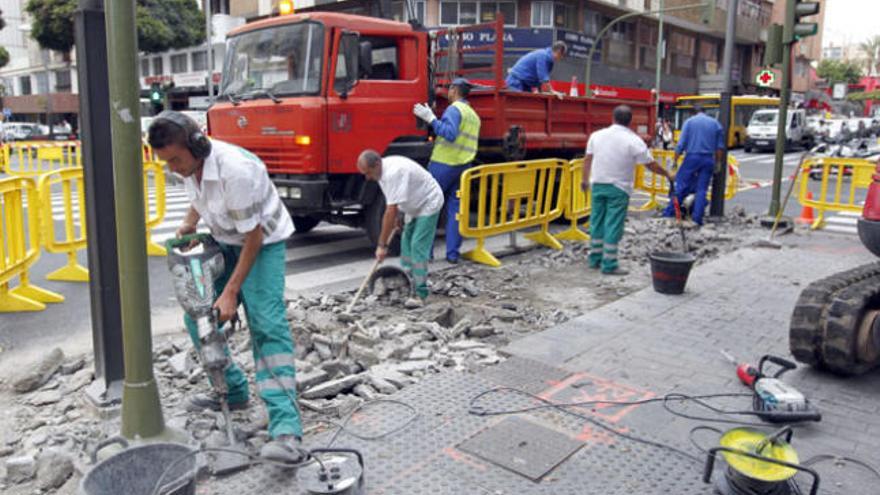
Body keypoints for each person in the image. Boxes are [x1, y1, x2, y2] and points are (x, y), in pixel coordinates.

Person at [148, 111, 305, 464]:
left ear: (196, 144)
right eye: (165, 162)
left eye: (175, 159)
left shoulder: (235, 171)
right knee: (199, 315)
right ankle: (234, 391)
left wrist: (232, 292)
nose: (172, 168)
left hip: (262, 243)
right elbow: (200, 195)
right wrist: (189, 222)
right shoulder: (192, 165)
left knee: (266, 325)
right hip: (226, 239)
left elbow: (255, 236)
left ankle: (286, 429)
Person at [582, 105, 672, 275]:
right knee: (613, 225)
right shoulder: (633, 140)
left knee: (597, 221)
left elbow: (587, 159)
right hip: (619, 187)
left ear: (613, 118)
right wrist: (667, 174)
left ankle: (594, 258)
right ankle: (609, 264)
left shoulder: (597, 136)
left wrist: (584, 180)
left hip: (598, 185)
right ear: (630, 121)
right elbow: (650, 164)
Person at [357, 150, 443, 308]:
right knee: (406, 242)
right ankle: (408, 281)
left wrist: (382, 245)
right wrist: (399, 218)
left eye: (368, 172)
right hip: (412, 205)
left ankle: (420, 293)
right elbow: (394, 200)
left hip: (428, 201)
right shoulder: (381, 173)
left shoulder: (393, 172)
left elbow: (390, 211)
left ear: (376, 164)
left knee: (418, 246)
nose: (367, 177)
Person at [412, 78, 481, 263]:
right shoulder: (473, 115)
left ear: (454, 90)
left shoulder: (454, 109)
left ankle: (426, 255)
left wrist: (431, 118)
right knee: (455, 211)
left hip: (443, 166)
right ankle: (452, 254)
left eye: (449, 89)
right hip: (462, 168)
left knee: (430, 207)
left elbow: (450, 134)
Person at [663, 104, 724, 226]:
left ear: (693, 113)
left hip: (692, 157)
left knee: (680, 186)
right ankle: (697, 219)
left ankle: (669, 213)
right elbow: (719, 148)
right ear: (704, 112)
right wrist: (717, 163)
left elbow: (681, 144)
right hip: (708, 159)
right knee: (702, 190)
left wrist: (675, 161)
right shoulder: (716, 124)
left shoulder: (689, 122)